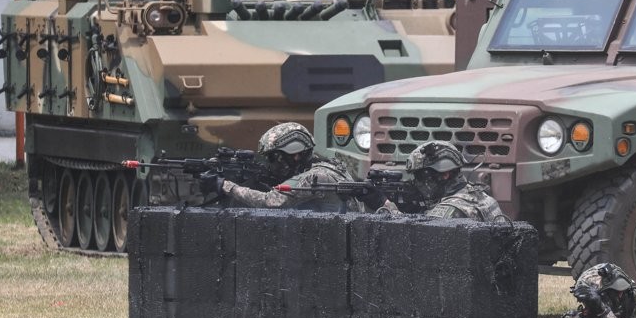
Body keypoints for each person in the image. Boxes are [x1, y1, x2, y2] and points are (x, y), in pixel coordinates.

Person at [204, 122, 357, 210]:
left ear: (295, 154)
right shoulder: (327, 166)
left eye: (274, 157)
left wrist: (225, 185)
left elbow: (270, 201)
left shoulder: (315, 177)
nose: (272, 164)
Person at [379, 141, 507, 222]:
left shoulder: (451, 210)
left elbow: (418, 240)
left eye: (420, 176)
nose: (416, 182)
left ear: (445, 174)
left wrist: (385, 205)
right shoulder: (479, 195)